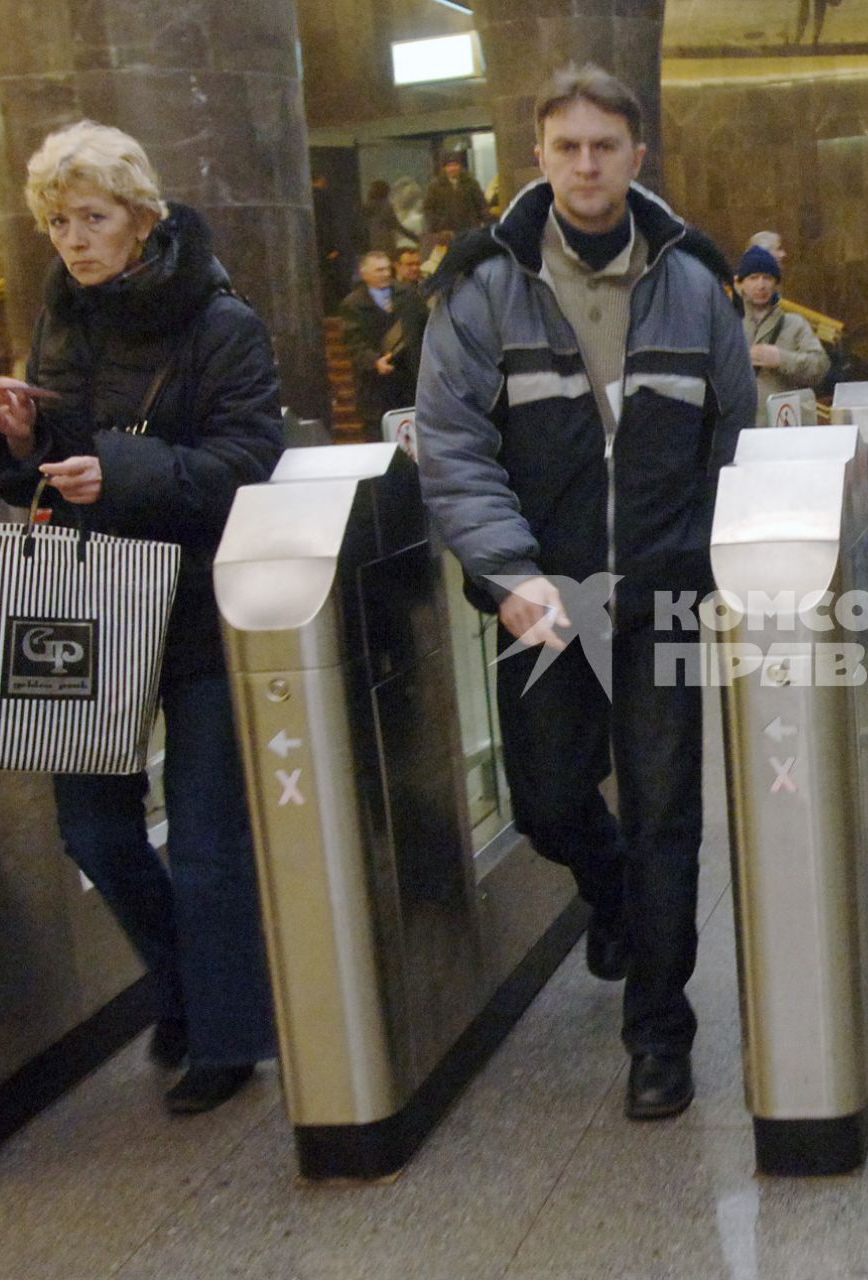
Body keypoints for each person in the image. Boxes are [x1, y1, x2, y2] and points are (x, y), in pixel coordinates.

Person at [415, 64, 753, 1121]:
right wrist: (511, 579)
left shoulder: (695, 281)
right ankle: (605, 898)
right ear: (540, 156)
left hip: (662, 597)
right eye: (568, 147)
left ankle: (659, 1031)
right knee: (550, 799)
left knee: (665, 818)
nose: (588, 164)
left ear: (636, 155)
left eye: (605, 145)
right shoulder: (482, 284)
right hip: (544, 600)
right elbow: (455, 446)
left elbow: (734, 440)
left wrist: (718, 567)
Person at [0, 119, 282, 1112]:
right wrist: (17, 441)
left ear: (142, 219)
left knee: (204, 838)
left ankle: (226, 1034)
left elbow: (246, 461)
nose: (73, 238)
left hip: (192, 606)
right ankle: (186, 981)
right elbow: (46, 481)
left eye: (92, 217)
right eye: (57, 221)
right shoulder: (60, 320)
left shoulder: (222, 323)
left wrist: (123, 471)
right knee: (95, 831)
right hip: (87, 605)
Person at [338, 249, 426, 438]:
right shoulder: (353, 304)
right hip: (376, 388)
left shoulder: (409, 295)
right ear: (364, 274)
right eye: (379, 270)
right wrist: (374, 361)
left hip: (410, 383)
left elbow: (424, 330)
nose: (385, 274)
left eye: (387, 269)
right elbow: (354, 343)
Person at [736, 245, 828, 425]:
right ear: (741, 283)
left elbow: (820, 366)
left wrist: (782, 359)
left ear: (776, 283)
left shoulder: (794, 324)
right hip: (739, 429)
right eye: (753, 278)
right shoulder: (728, 324)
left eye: (767, 278)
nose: (761, 285)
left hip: (783, 426)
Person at [423, 151, 489, 244]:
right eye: (449, 166)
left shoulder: (471, 183)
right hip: (446, 234)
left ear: (460, 166)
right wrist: (437, 227)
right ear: (444, 168)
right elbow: (428, 209)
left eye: (455, 165)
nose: (452, 168)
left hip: (469, 231)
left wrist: (484, 224)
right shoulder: (435, 186)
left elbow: (482, 204)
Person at [361, 178, 413, 252]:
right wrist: (417, 239)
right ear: (385, 192)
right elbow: (398, 227)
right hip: (384, 246)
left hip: (368, 248)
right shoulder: (385, 207)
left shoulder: (364, 208)